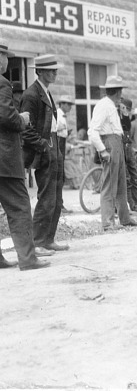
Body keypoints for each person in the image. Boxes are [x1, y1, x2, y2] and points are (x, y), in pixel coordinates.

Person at [0, 40, 50, 271]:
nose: (6, 61)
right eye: (6, 56)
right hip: (5, 158)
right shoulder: (2, 83)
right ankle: (28, 259)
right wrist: (23, 119)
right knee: (19, 207)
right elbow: (7, 117)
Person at [20, 54, 68, 254]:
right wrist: (43, 146)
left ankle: (48, 239)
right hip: (45, 148)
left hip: (54, 145)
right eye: (51, 70)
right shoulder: (31, 95)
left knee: (56, 197)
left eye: (55, 69)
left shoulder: (45, 92)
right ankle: (38, 241)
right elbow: (25, 128)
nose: (55, 73)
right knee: (47, 197)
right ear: (39, 71)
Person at [87, 76, 137, 231]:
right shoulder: (103, 106)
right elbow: (92, 131)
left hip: (118, 143)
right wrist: (102, 150)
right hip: (110, 144)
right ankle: (107, 221)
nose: (121, 95)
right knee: (109, 184)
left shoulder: (111, 105)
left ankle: (124, 218)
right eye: (120, 91)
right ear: (117, 92)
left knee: (121, 184)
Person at [119, 98, 137, 212]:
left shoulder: (127, 119)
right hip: (122, 149)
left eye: (128, 109)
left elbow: (128, 132)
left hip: (128, 149)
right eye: (125, 108)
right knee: (127, 178)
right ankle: (132, 205)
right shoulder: (118, 118)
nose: (127, 111)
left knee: (135, 176)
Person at [57, 96, 82, 193]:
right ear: (62, 104)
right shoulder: (58, 114)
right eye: (68, 104)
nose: (70, 107)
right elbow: (57, 130)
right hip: (59, 142)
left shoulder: (62, 115)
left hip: (62, 141)